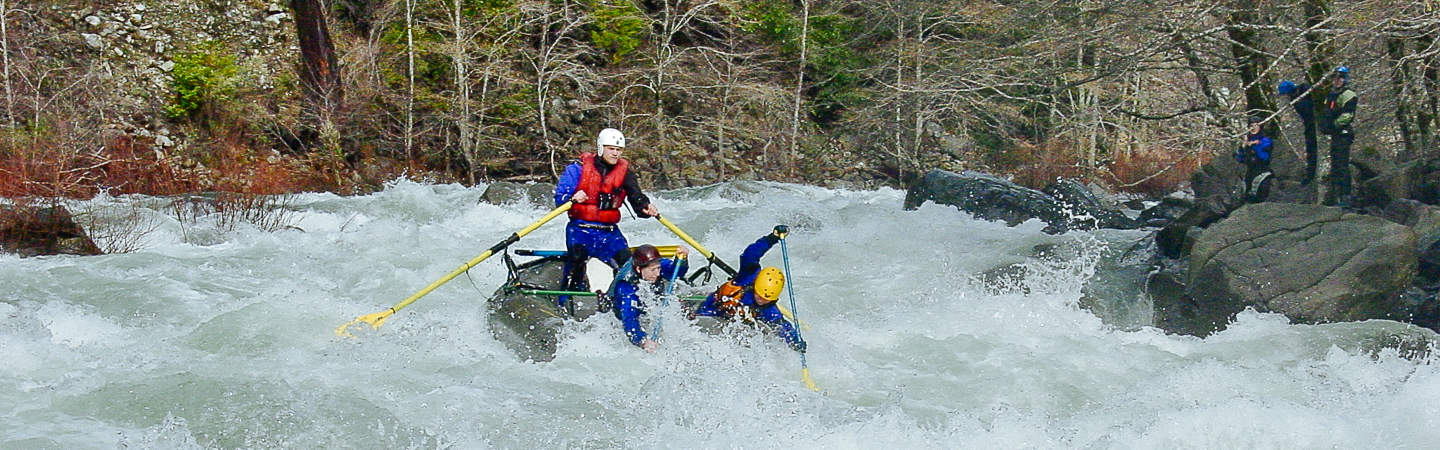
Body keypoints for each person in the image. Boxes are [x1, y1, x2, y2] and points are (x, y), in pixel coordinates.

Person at [553, 128, 659, 307]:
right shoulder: (577, 169)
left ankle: (627, 301)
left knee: (628, 263)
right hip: (580, 229)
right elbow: (560, 198)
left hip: (609, 233)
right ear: (601, 148)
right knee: (577, 259)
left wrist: (645, 207)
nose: (615, 153)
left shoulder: (625, 173)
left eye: (618, 150)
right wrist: (572, 198)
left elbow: (636, 198)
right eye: (611, 149)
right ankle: (568, 299)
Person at [688, 225, 806, 353]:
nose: (761, 300)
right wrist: (772, 239)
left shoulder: (769, 310)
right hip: (709, 309)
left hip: (727, 323)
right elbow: (750, 255)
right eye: (759, 295)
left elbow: (783, 327)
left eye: (766, 299)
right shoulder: (747, 276)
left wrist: (795, 342)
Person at [610, 244, 688, 352]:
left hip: (645, 308)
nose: (657, 273)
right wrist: (643, 341)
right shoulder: (626, 288)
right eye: (653, 270)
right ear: (638, 269)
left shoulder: (654, 265)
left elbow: (677, 271)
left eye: (659, 268)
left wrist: (682, 259)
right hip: (621, 314)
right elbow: (630, 319)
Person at [1321, 66, 1358, 207]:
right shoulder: (1331, 95)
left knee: (1342, 165)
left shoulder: (1349, 95)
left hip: (1343, 133)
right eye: (1335, 78)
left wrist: (1333, 125)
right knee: (1335, 165)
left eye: (1340, 78)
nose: (1337, 81)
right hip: (1335, 134)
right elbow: (1326, 112)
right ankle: (1336, 196)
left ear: (1345, 79)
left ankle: (1346, 197)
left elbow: (1348, 115)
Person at [1277, 79, 1318, 184]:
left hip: (1315, 125)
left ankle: (1311, 174)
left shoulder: (1305, 91)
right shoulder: (1295, 99)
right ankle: (1310, 174)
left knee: (1313, 149)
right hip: (1309, 126)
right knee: (1311, 150)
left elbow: (1309, 109)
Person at [1235, 116, 1273, 203]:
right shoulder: (1246, 140)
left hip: (1262, 172)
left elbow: (1264, 156)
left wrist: (1254, 146)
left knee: (1260, 194)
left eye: (1256, 125)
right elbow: (1240, 158)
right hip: (1249, 172)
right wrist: (1242, 148)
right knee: (1245, 195)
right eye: (1251, 125)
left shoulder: (1265, 139)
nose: (1253, 128)